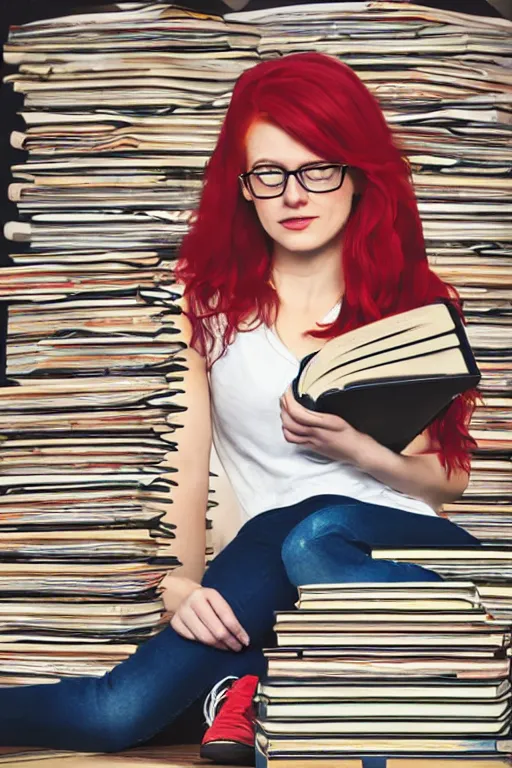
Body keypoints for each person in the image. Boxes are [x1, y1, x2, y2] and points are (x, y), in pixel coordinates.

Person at [0, 52, 480, 760]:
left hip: (399, 557)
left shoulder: (415, 301)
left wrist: (358, 451)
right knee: (117, 715)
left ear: (356, 173)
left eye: (319, 168)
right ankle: (263, 679)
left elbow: (451, 478)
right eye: (270, 173)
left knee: (315, 533)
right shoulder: (210, 305)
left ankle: (277, 681)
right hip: (267, 568)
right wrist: (180, 581)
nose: (295, 193)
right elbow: (187, 462)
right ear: (244, 187)